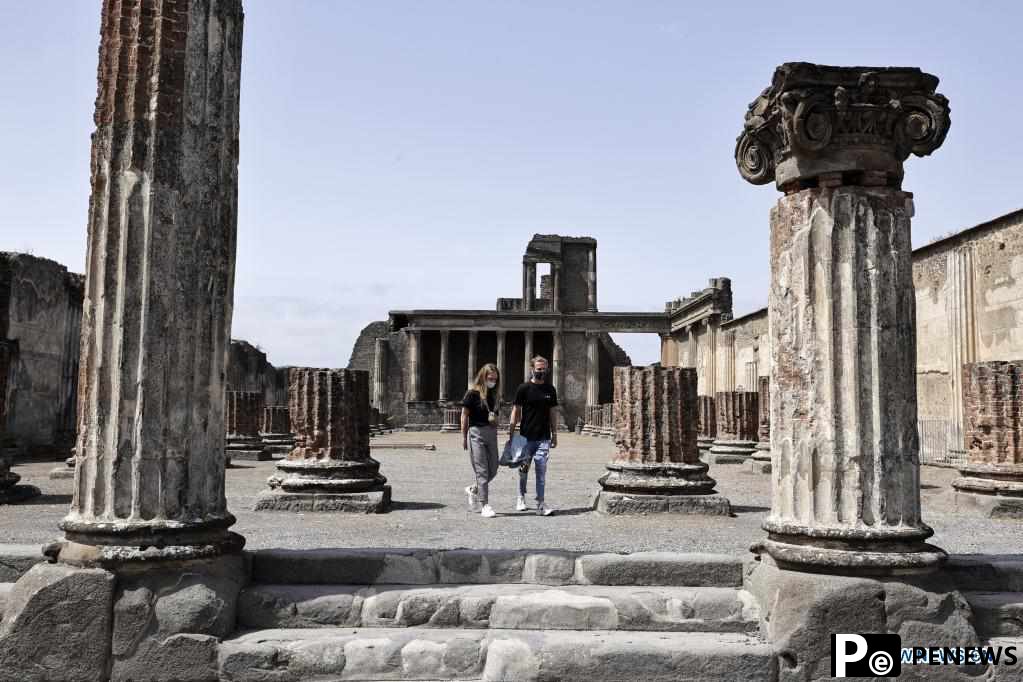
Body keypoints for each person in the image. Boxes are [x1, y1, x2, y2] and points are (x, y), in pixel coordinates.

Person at [508, 355, 558, 516]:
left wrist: (554, 433)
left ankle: (540, 503)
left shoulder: (550, 390)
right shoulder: (523, 388)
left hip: (543, 437)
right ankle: (521, 497)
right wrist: (511, 432)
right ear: (532, 369)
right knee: (523, 470)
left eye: (544, 369)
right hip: (526, 437)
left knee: (541, 472)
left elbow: (552, 412)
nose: (541, 372)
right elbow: (516, 411)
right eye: (538, 369)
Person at [462, 363, 501, 518]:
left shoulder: (494, 395)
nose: (493, 381)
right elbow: (464, 416)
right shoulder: (472, 394)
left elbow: (496, 416)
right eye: (490, 378)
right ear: (483, 377)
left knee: (494, 467)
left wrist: (495, 421)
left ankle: (474, 489)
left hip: (491, 432)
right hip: (476, 432)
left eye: (495, 379)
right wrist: (464, 437)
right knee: (482, 471)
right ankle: (485, 504)